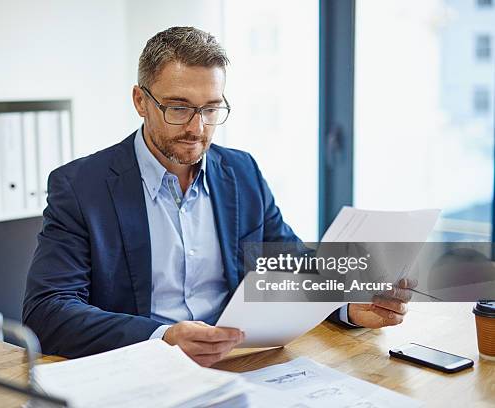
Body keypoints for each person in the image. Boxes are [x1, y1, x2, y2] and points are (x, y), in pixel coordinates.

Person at [22, 26, 413, 367]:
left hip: (238, 362)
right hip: (142, 372)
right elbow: (48, 311)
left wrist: (345, 304)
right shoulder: (80, 186)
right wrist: (162, 337)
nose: (197, 128)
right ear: (140, 101)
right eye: (179, 108)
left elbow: (290, 266)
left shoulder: (241, 173)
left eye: (211, 109)